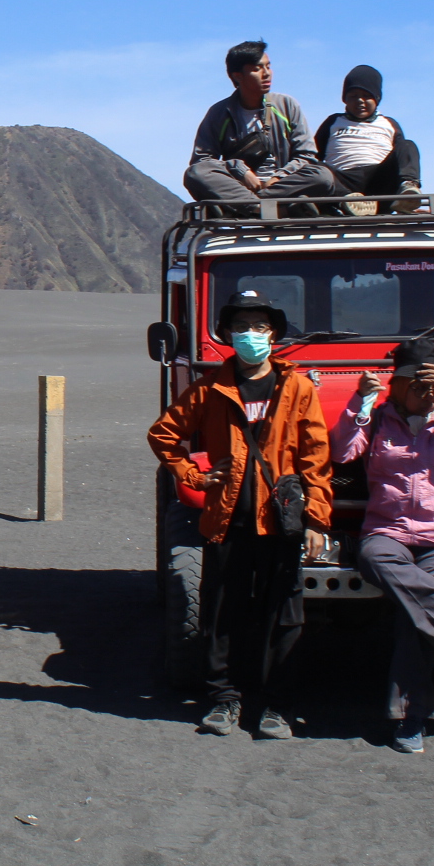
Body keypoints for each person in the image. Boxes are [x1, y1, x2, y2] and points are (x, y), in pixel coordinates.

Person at [147, 289, 333, 739]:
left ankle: (275, 708)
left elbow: (316, 456)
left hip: (281, 521)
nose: (251, 334)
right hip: (228, 521)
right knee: (221, 613)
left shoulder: (297, 387)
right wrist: (192, 476)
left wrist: (317, 520)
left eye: (260, 326)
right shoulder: (211, 388)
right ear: (229, 335)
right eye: (242, 326)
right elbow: (163, 434)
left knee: (282, 617)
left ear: (273, 334)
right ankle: (224, 701)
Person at [332, 338, 434, 753]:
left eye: (433, 385)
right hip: (387, 531)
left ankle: (412, 717)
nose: (427, 393)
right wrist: (360, 400)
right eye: (416, 383)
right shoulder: (379, 418)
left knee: (417, 612)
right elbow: (342, 450)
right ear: (397, 385)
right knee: (377, 558)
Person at [184, 42, 337, 215]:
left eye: (268, 67)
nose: (267, 74)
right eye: (257, 69)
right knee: (195, 174)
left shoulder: (287, 105)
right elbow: (202, 160)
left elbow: (306, 155)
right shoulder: (219, 113)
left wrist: (278, 177)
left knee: (322, 175)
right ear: (238, 76)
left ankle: (250, 207)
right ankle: (268, 208)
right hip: (238, 187)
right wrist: (238, 169)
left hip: (281, 186)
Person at [312, 64, 423, 215]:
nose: (360, 101)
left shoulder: (389, 123)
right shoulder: (333, 122)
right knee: (316, 168)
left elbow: (400, 158)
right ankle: (347, 203)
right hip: (344, 183)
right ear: (345, 99)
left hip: (379, 183)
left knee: (408, 146)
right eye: (353, 96)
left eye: (366, 96)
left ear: (377, 99)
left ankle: (408, 190)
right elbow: (313, 154)